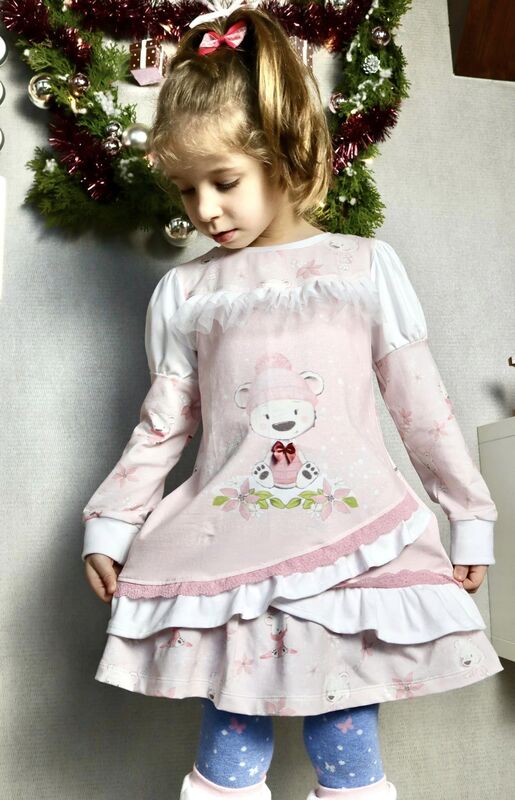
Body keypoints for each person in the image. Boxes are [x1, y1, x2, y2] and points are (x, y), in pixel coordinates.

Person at [81, 5, 503, 800]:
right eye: (186, 189)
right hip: (229, 554)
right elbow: (162, 424)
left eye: (224, 181)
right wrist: (112, 520)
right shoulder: (187, 293)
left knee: (347, 752)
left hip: (351, 546)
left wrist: (467, 514)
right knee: (229, 749)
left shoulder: (362, 269)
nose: (204, 210)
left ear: (283, 149)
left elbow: (422, 407)